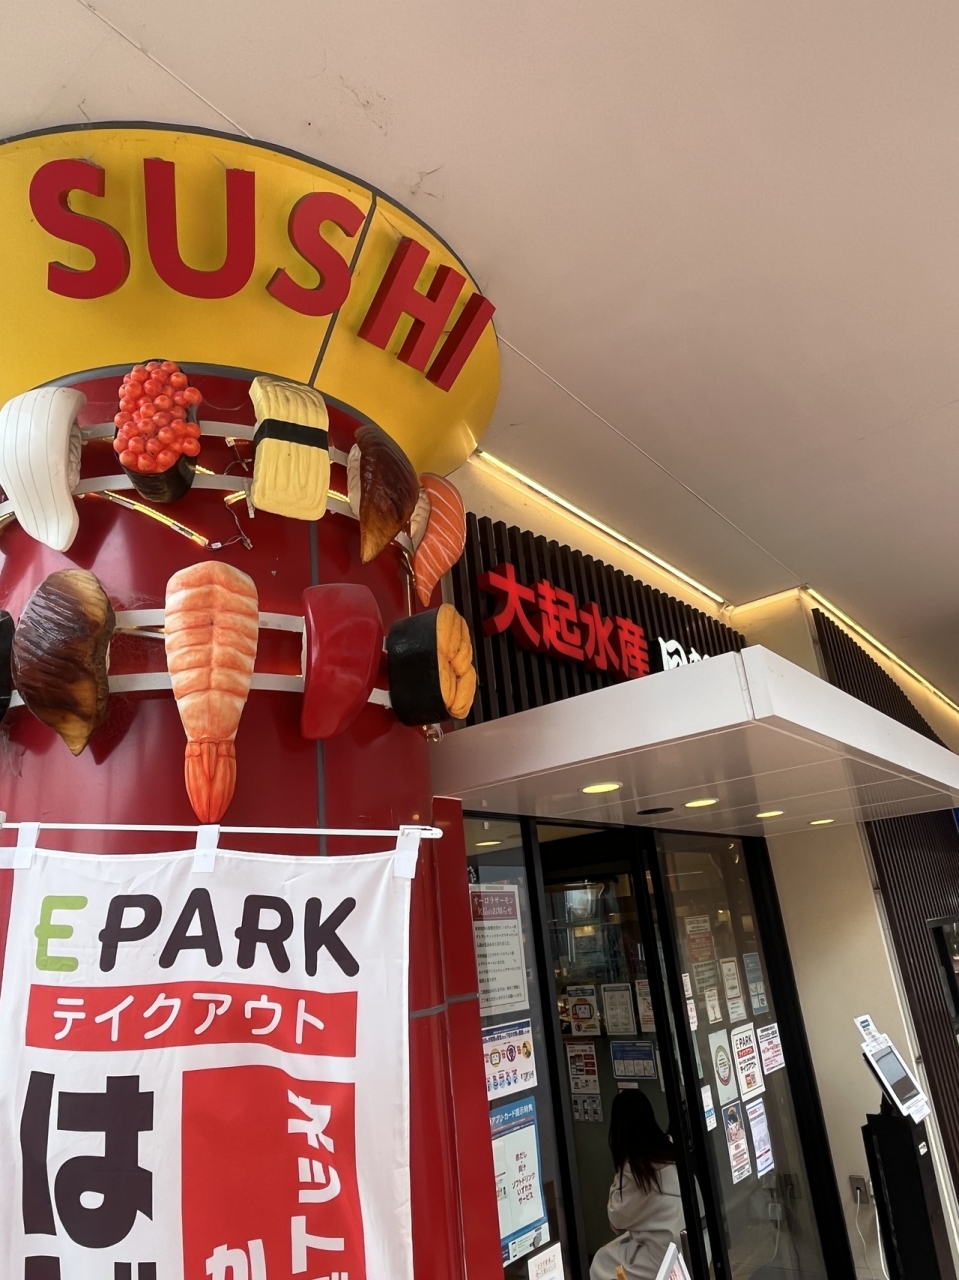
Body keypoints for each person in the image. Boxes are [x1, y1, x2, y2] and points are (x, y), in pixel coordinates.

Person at [589, 1090, 686, 1280]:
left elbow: (616, 1218)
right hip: (689, 1243)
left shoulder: (637, 1170)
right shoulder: (671, 1148)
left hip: (663, 1255)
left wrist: (620, 1169)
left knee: (602, 1261)